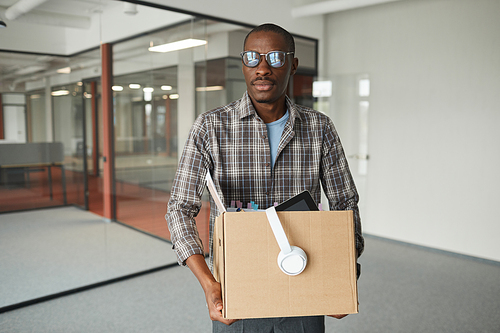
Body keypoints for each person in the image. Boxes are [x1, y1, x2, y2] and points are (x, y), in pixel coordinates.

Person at [167, 23, 364, 332]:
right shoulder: (210, 127)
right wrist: (208, 283)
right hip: (236, 287)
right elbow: (179, 208)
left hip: (305, 279)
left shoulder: (319, 128)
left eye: (275, 57)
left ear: (293, 65)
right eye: (251, 57)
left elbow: (345, 204)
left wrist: (342, 276)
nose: (262, 68)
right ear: (242, 65)